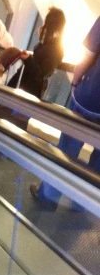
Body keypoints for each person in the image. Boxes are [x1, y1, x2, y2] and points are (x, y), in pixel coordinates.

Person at [30, 14, 100, 209]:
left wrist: (76, 82)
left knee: (68, 147)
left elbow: (88, 55)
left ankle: (49, 196)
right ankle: (83, 204)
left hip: (90, 98)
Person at [8, 7, 66, 99]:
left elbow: (42, 73)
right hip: (26, 84)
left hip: (31, 89)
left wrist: (28, 59)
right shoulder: (49, 43)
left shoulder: (56, 49)